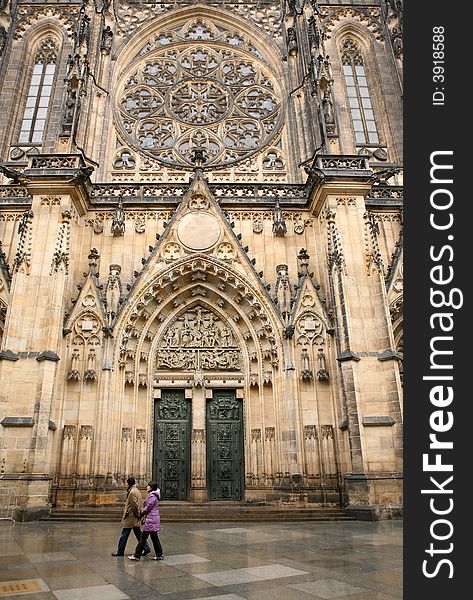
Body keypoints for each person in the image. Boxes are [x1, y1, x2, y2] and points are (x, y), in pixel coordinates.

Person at [111, 477, 151, 557]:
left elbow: (134, 506)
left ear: (128, 483)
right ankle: (146, 548)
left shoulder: (132, 492)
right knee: (138, 534)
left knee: (124, 534)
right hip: (134, 517)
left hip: (131, 517)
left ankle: (120, 551)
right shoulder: (137, 491)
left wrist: (137, 515)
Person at [128, 481, 164, 561]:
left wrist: (141, 511)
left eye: (148, 486)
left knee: (143, 537)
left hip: (151, 519)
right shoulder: (153, 495)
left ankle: (137, 555)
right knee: (154, 537)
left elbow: (148, 507)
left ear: (150, 488)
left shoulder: (152, 496)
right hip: (153, 519)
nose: (147, 487)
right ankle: (159, 554)